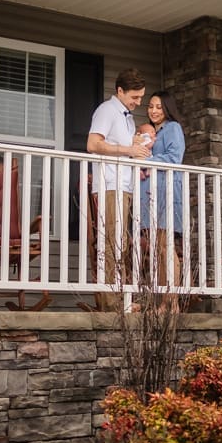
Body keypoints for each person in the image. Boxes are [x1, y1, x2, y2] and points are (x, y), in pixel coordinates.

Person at [87, 68, 152, 309]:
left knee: (121, 242)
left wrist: (135, 144)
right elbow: (93, 144)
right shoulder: (107, 110)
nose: (139, 102)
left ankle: (120, 298)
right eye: (134, 97)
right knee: (112, 243)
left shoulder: (127, 116)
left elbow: (121, 146)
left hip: (124, 185)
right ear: (120, 91)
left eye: (141, 97)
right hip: (110, 185)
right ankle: (113, 304)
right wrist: (129, 150)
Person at [139, 90, 186, 287]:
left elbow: (175, 158)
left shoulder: (173, 128)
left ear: (167, 108)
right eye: (150, 106)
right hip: (150, 194)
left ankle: (171, 302)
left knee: (166, 247)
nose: (154, 110)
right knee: (157, 248)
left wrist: (148, 160)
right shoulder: (150, 132)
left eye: (158, 107)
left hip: (165, 192)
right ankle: (162, 301)